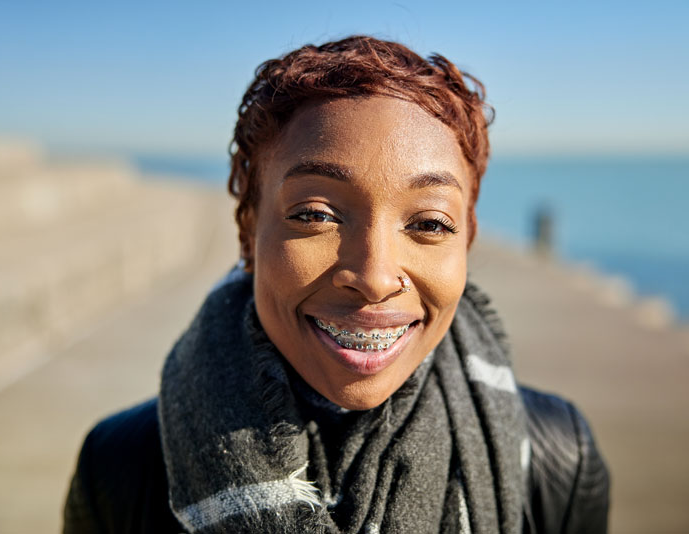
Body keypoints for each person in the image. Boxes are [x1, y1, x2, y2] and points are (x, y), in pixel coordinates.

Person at [63, 36, 609, 533]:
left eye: (428, 224)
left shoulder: (557, 455)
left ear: (465, 241)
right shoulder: (121, 469)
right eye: (315, 214)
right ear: (249, 229)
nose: (373, 278)